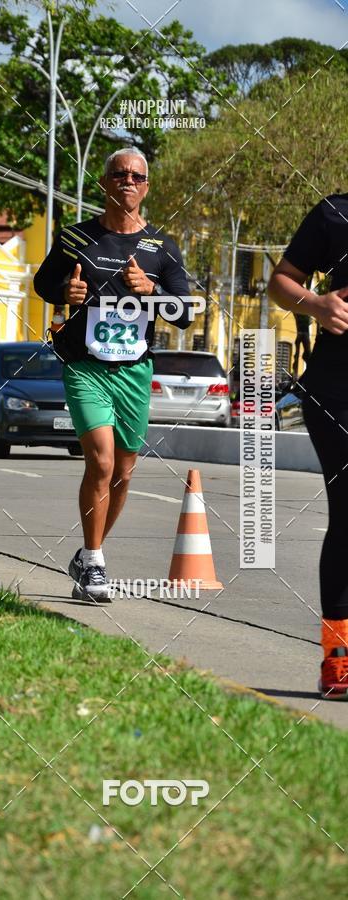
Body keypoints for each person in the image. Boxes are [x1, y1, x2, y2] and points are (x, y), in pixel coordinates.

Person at [34, 147, 192, 602]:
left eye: (136, 176)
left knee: (123, 470)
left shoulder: (162, 247)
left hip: (134, 370)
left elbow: (183, 313)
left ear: (146, 187)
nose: (127, 181)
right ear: (104, 184)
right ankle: (96, 559)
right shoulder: (75, 237)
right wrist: (67, 288)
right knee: (100, 461)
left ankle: (87, 558)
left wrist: (153, 289)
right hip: (86, 365)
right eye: (118, 174)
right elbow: (43, 285)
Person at [269, 193, 348, 699]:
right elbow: (281, 280)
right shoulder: (334, 214)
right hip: (338, 390)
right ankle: (338, 657)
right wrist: (316, 304)